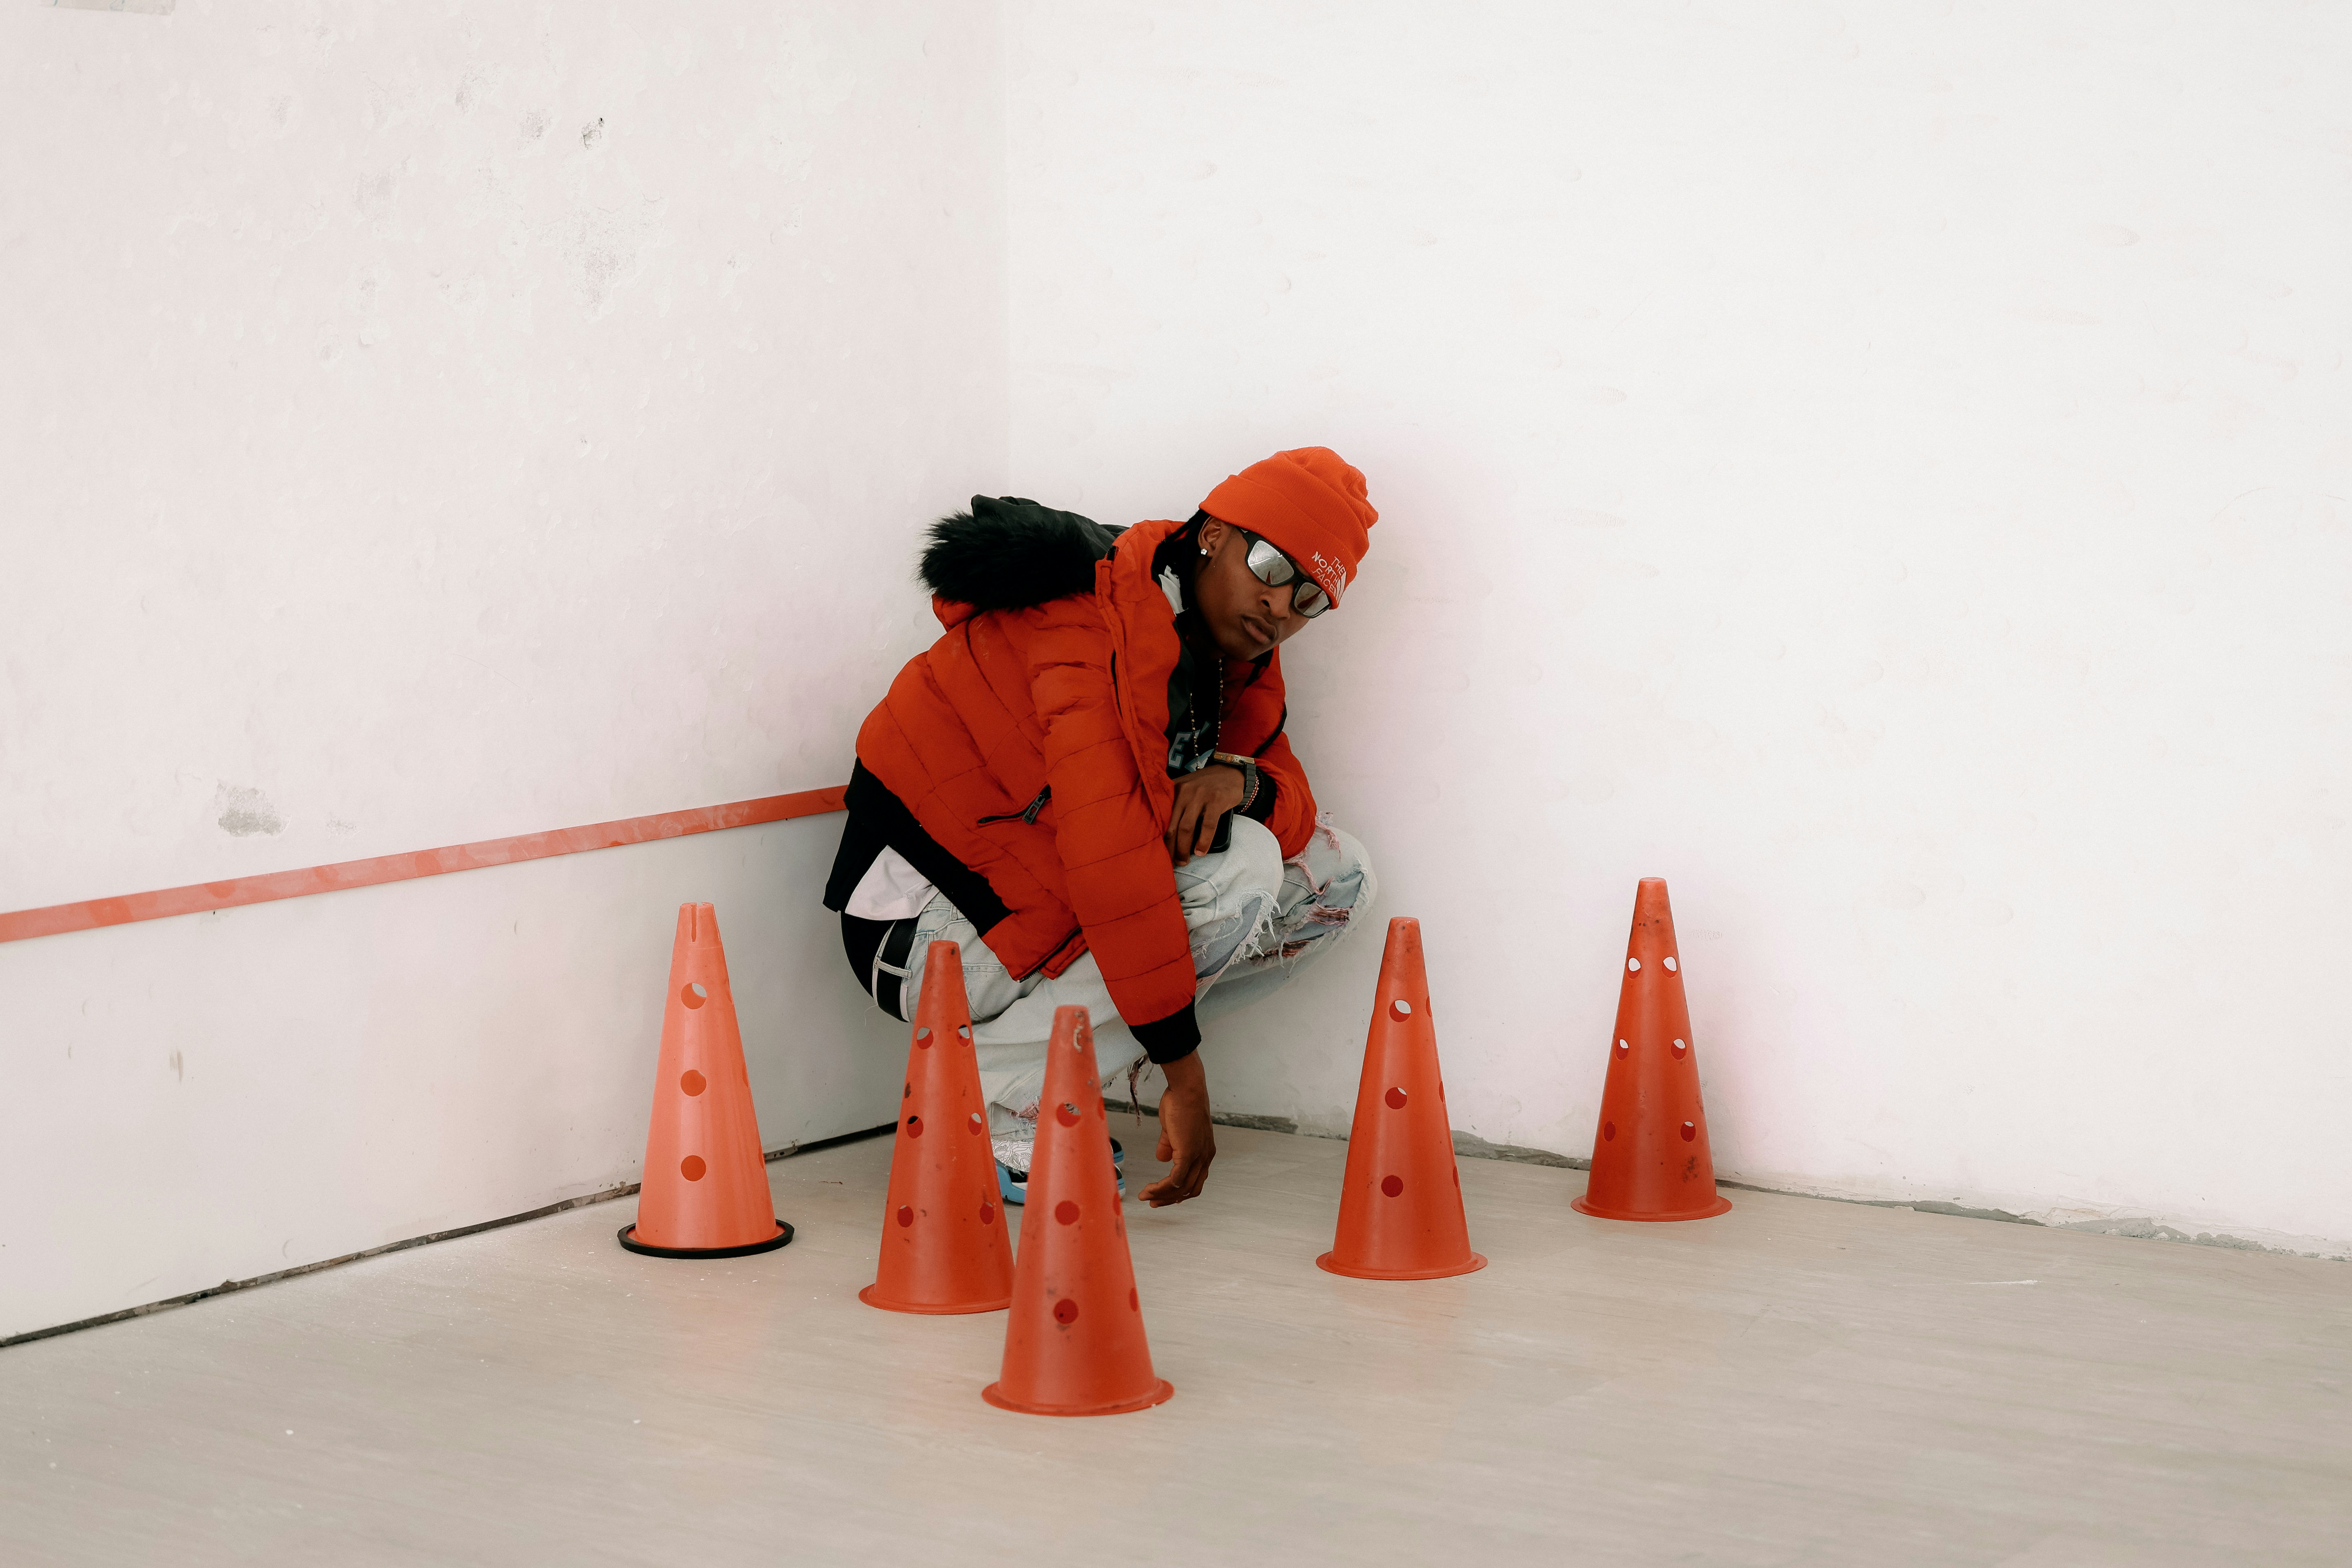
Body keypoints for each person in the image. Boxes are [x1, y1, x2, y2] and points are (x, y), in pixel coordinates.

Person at [823, 448, 1379, 1207]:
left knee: (1336, 879)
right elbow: (1109, 859)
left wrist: (1242, 781)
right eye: (1274, 568)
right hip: (926, 931)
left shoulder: (1228, 654)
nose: (1283, 607)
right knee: (1239, 862)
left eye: (1312, 600)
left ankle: (1038, 1074)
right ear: (1213, 534)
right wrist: (1183, 1072)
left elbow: (1294, 805)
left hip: (1037, 898)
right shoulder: (1089, 619)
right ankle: (985, 1096)